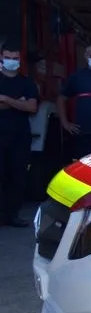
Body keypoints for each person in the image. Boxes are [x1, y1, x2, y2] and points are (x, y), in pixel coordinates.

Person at [0, 43, 39, 227]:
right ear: (1, 58)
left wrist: (5, 99)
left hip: (19, 137)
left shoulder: (27, 82)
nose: (11, 61)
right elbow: (25, 105)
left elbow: (32, 107)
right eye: (8, 58)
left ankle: (12, 215)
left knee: (18, 176)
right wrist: (18, 102)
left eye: (15, 58)